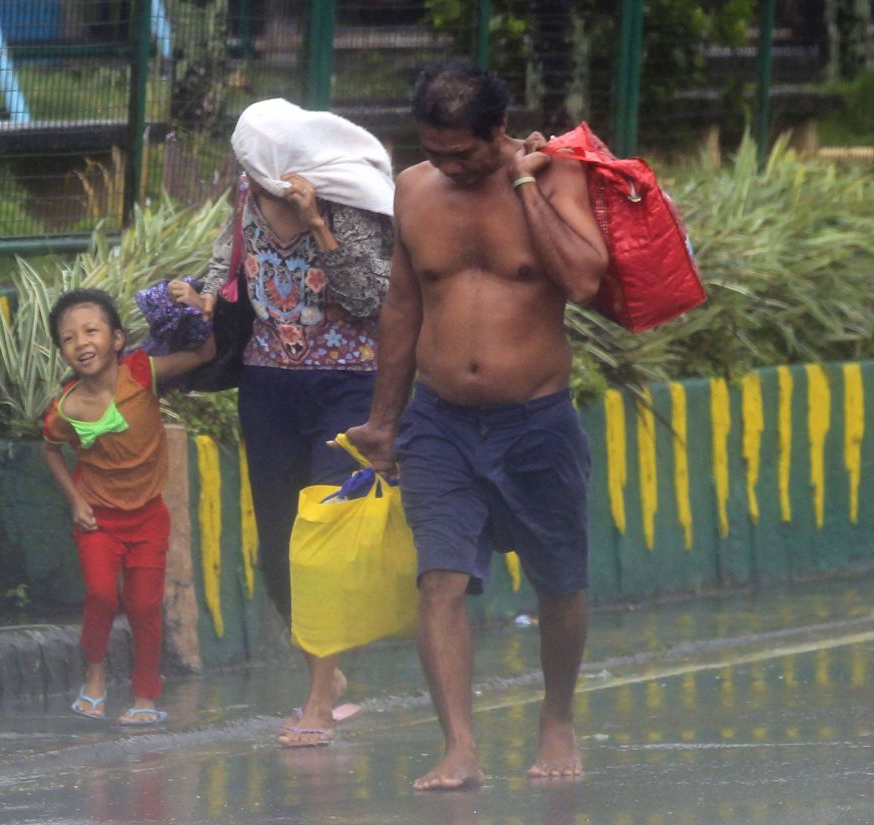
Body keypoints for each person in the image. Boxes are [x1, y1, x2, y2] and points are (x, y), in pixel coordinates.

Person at [343, 61, 608, 788]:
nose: (449, 166)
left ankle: (557, 717)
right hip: (440, 421)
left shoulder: (553, 179)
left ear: (500, 130)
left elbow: (583, 278)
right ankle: (459, 745)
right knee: (440, 581)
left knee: (559, 581)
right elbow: (402, 305)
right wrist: (382, 419)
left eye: (464, 152)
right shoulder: (413, 191)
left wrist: (524, 182)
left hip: (538, 420)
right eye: (435, 151)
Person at [190, 98, 395, 748]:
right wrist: (195, 296)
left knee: (324, 532)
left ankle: (315, 699)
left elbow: (372, 297)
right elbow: (226, 275)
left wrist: (319, 226)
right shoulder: (247, 199)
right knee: (279, 541)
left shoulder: (347, 200)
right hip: (267, 387)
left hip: (346, 387)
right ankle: (323, 674)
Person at [42, 287, 216, 726]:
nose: (81, 342)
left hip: (149, 518)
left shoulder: (142, 373)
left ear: (117, 339)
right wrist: (76, 501)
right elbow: (49, 451)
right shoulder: (65, 408)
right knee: (101, 594)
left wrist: (197, 305)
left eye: (91, 331)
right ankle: (95, 674)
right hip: (97, 519)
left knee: (143, 606)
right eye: (68, 338)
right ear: (62, 352)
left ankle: (144, 696)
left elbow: (203, 353)